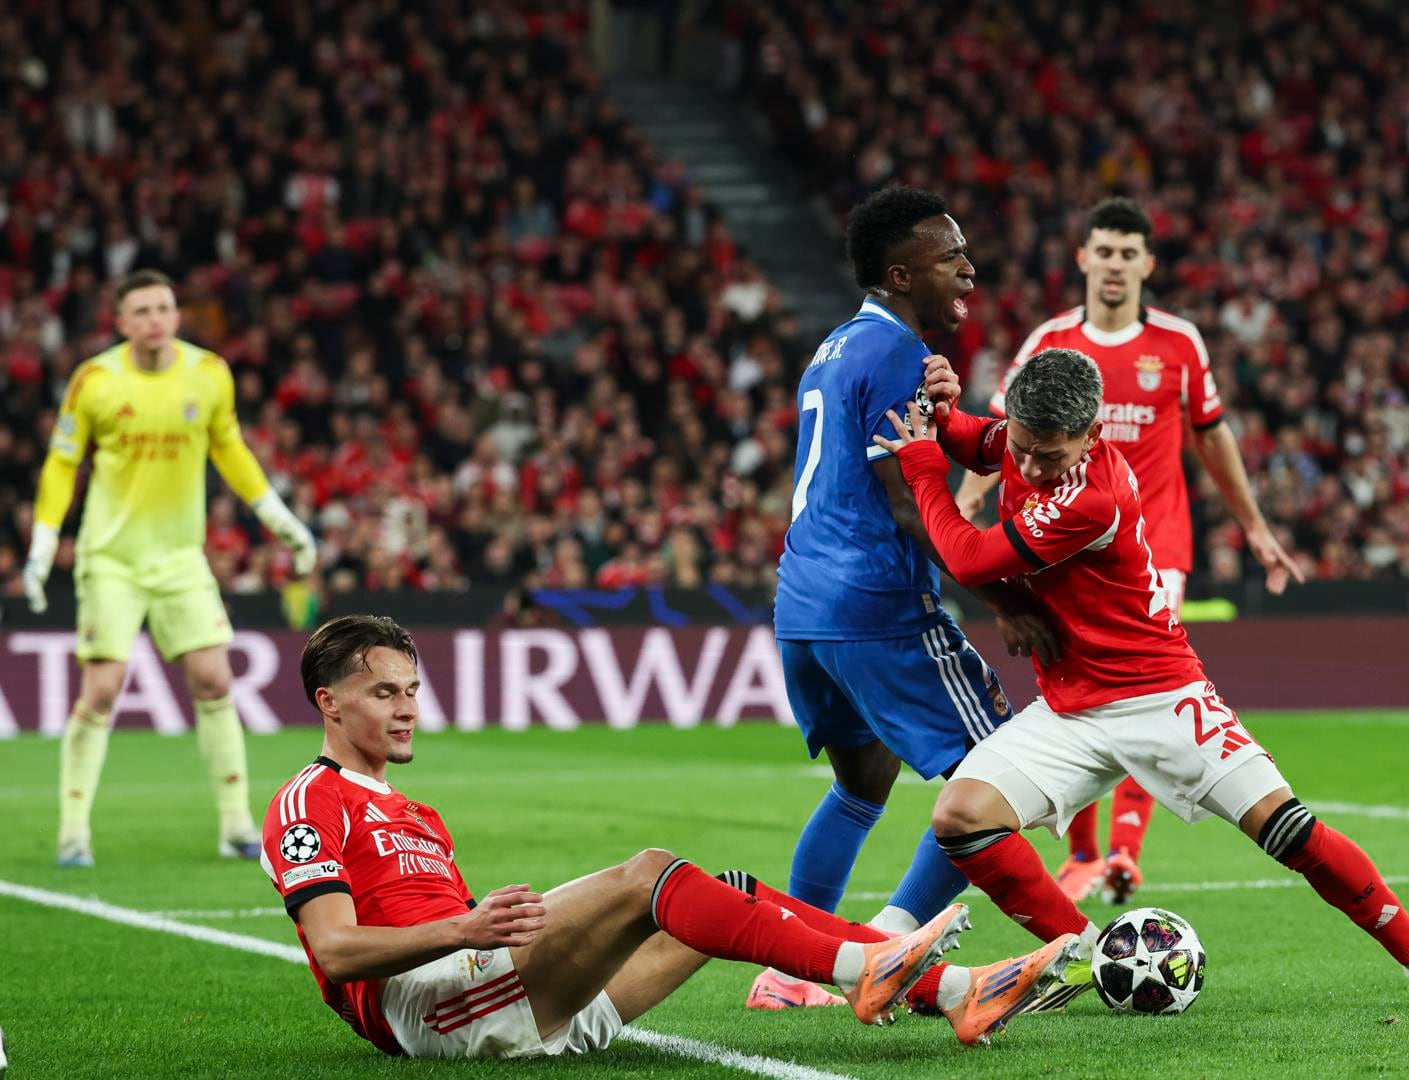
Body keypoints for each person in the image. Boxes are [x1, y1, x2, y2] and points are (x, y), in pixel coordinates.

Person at [876, 348, 1409, 1011]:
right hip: (1070, 708)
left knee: (1286, 829)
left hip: (1161, 695)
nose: (1029, 467)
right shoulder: (1032, 440)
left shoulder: (1092, 497)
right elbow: (982, 442)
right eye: (1023, 448)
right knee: (962, 816)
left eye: (1047, 456)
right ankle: (1088, 957)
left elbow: (970, 559)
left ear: (1092, 437)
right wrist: (941, 413)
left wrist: (920, 465)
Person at [260, 614, 1076, 1057]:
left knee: (727, 895)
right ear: (329, 704)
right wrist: (468, 927)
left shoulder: (412, 812)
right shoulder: (308, 802)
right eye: (382, 694)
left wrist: (475, 927)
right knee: (650, 872)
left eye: (410, 689)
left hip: (492, 996)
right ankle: (865, 969)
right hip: (430, 1013)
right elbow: (333, 951)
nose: (405, 709)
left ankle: (960, 994)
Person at [953, 197, 1302, 906]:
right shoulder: (1050, 341)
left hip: (1150, 546)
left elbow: (1212, 435)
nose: (1114, 265)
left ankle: (1122, 853)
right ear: (1083, 259)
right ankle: (1083, 852)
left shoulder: (1179, 343)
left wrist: (1255, 523)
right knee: (1072, 682)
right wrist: (966, 495)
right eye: (1103, 252)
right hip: (1052, 543)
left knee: (1140, 691)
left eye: (1127, 253)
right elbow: (1003, 428)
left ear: (1147, 263)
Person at [763, 186, 1059, 1008]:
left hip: (805, 604)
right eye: (950, 255)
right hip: (877, 602)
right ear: (901, 274)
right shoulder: (892, 351)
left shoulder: (835, 346)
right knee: (998, 776)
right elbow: (906, 495)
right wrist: (1000, 598)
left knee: (862, 782)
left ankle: (790, 971)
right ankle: (888, 946)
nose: (969, 266)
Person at [23, 269, 318, 867]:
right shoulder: (97, 380)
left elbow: (229, 446)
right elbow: (62, 462)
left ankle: (236, 826)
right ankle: (73, 831)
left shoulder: (208, 374)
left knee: (214, 680)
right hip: (111, 557)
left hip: (181, 557)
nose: (156, 318)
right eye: (143, 310)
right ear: (122, 321)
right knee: (102, 688)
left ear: (176, 315)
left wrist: (276, 514)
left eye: (165, 307)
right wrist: (43, 540)